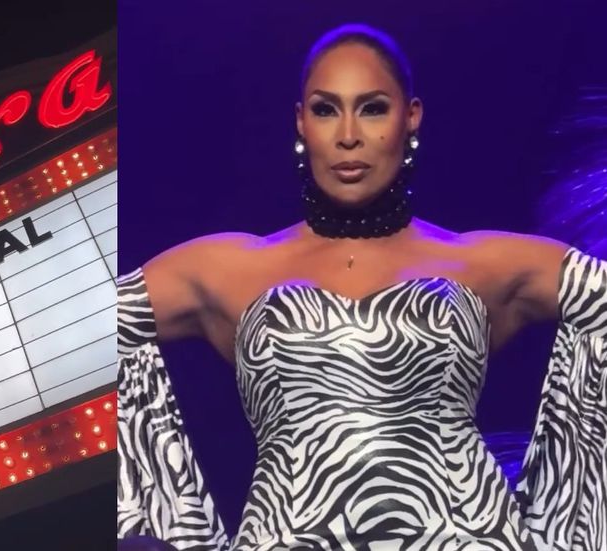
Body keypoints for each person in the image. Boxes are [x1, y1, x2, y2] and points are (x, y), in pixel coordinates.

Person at [116, 23, 607, 551]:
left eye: (372, 108)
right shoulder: (228, 269)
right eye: (326, 110)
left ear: (410, 117)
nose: (348, 135)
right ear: (301, 122)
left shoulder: (482, 263)